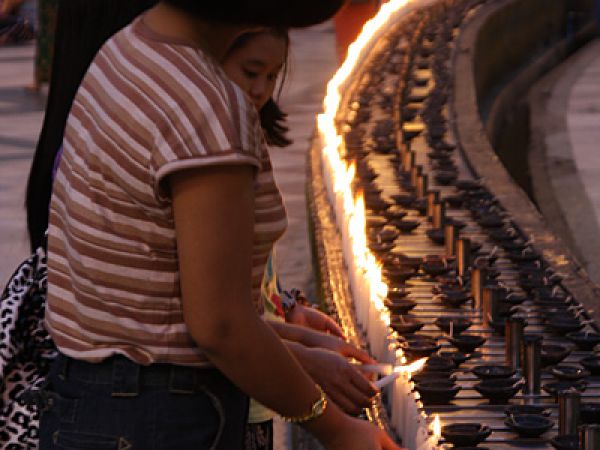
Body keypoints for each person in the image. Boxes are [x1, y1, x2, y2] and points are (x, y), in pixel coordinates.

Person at [39, 2, 401, 449]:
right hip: (161, 416)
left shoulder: (130, 49)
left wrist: (291, 341)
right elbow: (219, 326)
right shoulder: (204, 103)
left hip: (91, 399)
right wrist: (336, 427)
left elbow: (158, 302)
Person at [220, 28, 379, 450]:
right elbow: (215, 320)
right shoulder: (211, 151)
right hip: (221, 400)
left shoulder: (241, 135)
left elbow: (245, 286)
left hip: (251, 392)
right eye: (250, 72)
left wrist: (289, 313)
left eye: (272, 77)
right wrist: (310, 370)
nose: (260, 90)